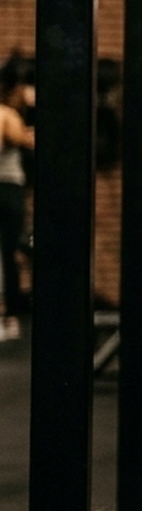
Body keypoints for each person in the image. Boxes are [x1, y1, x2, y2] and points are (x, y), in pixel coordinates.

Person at [0, 56, 33, 341]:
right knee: (11, 252)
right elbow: (17, 139)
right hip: (7, 189)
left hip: (9, 189)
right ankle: (9, 315)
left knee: (10, 252)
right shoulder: (6, 115)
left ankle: (8, 314)